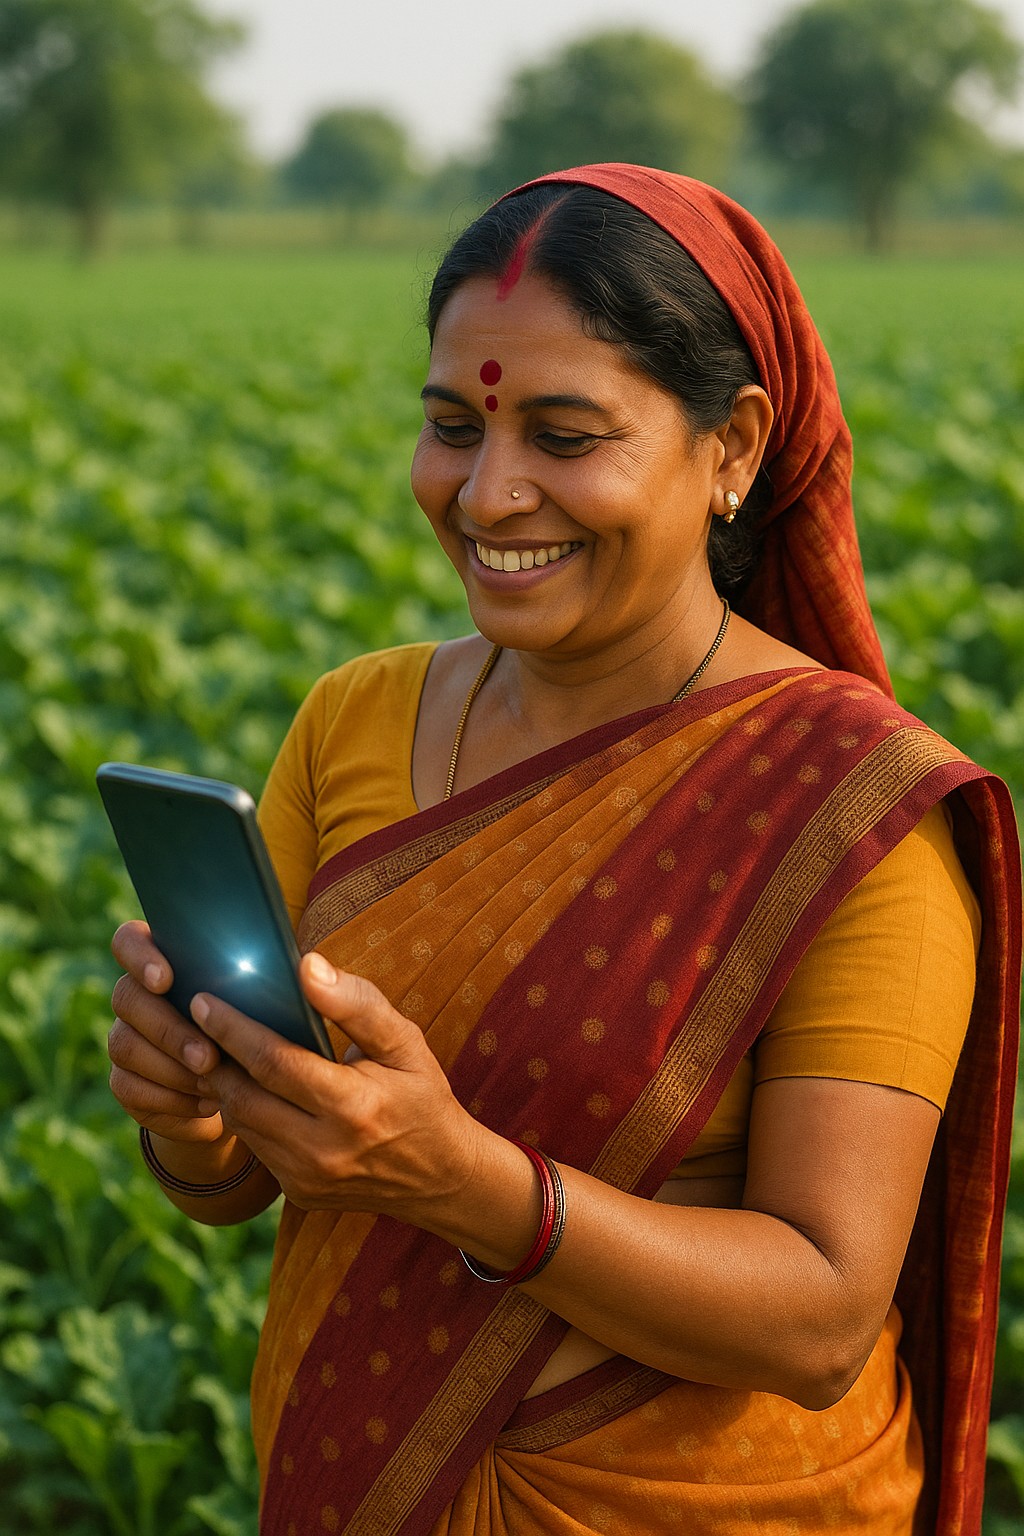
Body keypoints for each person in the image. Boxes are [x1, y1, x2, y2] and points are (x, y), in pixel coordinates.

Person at [107, 165, 1021, 1536]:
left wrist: (469, 1185)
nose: (489, 493)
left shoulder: (851, 810)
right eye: (451, 424)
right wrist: (189, 1110)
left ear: (733, 448)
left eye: (563, 432)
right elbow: (240, 1183)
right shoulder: (355, 718)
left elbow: (825, 1314)